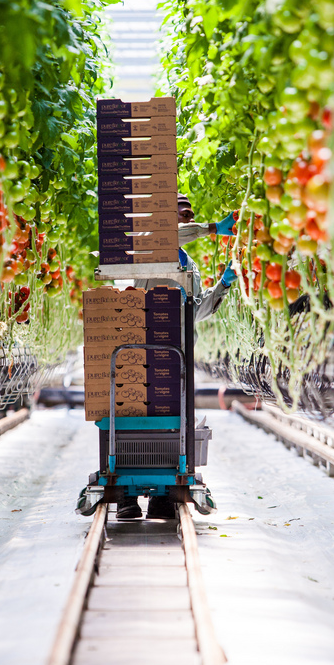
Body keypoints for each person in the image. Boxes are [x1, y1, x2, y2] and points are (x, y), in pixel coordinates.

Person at [117, 193, 239, 520]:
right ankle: (128, 496)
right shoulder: (149, 247)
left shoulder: (191, 265)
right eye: (180, 213)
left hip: (177, 355)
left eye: (187, 213)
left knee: (173, 423)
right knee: (135, 419)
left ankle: (163, 495)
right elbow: (168, 237)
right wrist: (212, 228)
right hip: (143, 350)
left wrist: (223, 286)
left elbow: (195, 311)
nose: (185, 219)